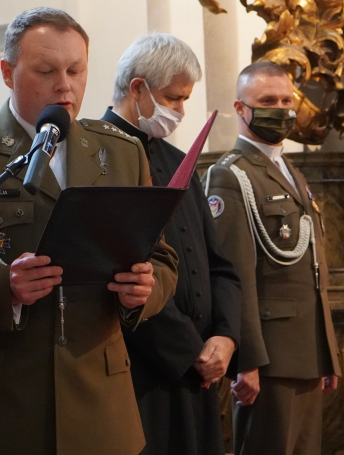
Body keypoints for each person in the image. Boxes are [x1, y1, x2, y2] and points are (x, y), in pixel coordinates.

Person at [0, 7, 179, 455]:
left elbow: (162, 257)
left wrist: (145, 290)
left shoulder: (122, 152)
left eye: (76, 70)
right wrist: (2, 286)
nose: (64, 85)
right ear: (8, 72)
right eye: (47, 70)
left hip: (98, 403)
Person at [102, 32, 241, 455]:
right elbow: (120, 275)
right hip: (144, 371)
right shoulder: (99, 156)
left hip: (200, 369)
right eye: (173, 98)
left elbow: (217, 262)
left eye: (184, 99)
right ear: (138, 88)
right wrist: (189, 351)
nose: (180, 111)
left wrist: (226, 336)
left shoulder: (178, 160)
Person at [204, 61, 341, 455]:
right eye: (267, 100)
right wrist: (246, 360)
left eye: (285, 100)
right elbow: (235, 273)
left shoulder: (289, 170)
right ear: (240, 107)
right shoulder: (230, 175)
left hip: (306, 352)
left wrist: (326, 351)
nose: (279, 109)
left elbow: (314, 271)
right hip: (269, 359)